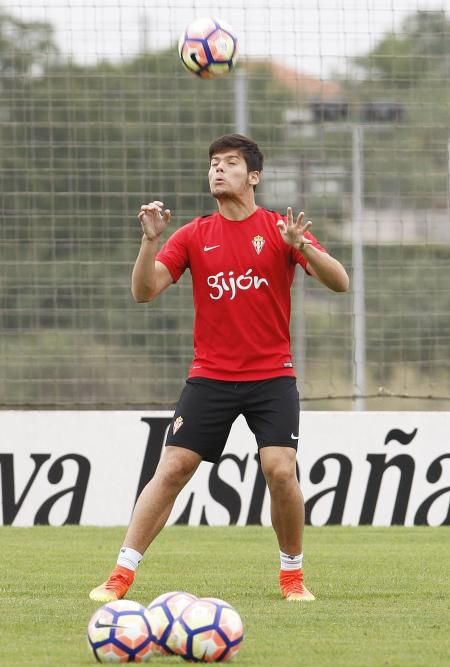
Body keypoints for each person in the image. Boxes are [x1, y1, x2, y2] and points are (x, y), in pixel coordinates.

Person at [89, 134, 349, 603]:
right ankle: (120, 576)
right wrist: (150, 243)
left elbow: (340, 282)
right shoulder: (192, 235)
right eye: (213, 163)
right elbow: (143, 292)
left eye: (230, 163)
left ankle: (292, 576)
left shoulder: (280, 229)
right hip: (210, 375)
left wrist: (303, 249)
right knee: (172, 468)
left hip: (272, 376)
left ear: (253, 176)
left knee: (280, 470)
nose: (218, 170)